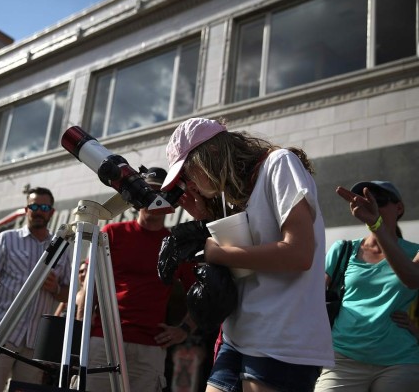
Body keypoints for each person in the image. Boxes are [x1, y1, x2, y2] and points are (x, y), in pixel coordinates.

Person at [159, 118, 333, 392]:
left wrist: (216, 253)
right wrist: (206, 218)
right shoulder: (236, 194)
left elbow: (299, 254)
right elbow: (248, 257)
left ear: (212, 154)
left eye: (187, 173)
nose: (188, 183)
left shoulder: (279, 164)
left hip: (281, 337)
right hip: (239, 334)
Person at [84, 167, 197, 392]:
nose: (153, 198)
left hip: (150, 346)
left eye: (160, 193)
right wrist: (80, 331)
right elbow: (88, 289)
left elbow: (200, 293)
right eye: (148, 191)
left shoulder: (176, 244)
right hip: (103, 340)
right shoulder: (112, 233)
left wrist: (184, 329)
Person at [315, 180, 419, 391]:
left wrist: (415, 330)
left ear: (399, 208)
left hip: (399, 361)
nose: (370, 204)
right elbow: (312, 298)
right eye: (365, 199)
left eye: (378, 200)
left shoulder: (415, 252)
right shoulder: (343, 250)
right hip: (343, 357)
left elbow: (412, 278)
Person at [0, 187, 72, 391]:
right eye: (34, 206)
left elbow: (68, 292)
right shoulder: (6, 238)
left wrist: (55, 288)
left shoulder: (62, 246)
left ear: (52, 212)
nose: (39, 211)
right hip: (2, 332)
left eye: (44, 207)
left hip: (35, 342)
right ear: (26, 209)